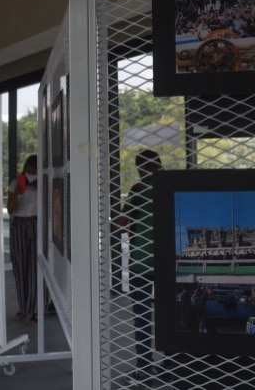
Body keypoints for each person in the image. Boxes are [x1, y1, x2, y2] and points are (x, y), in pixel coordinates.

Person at [117, 149, 163, 386]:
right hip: (167, 262)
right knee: (170, 315)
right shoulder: (171, 185)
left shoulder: (138, 190)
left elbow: (123, 222)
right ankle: (173, 363)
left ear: (140, 169)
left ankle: (145, 367)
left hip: (141, 261)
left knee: (143, 315)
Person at [8, 154, 39, 326]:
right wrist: (16, 194)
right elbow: (10, 210)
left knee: (35, 268)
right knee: (20, 267)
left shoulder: (44, 183)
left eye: (34, 170)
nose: (30, 174)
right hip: (19, 224)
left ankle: (35, 311)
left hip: (37, 223)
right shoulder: (16, 183)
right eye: (28, 170)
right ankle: (23, 307)